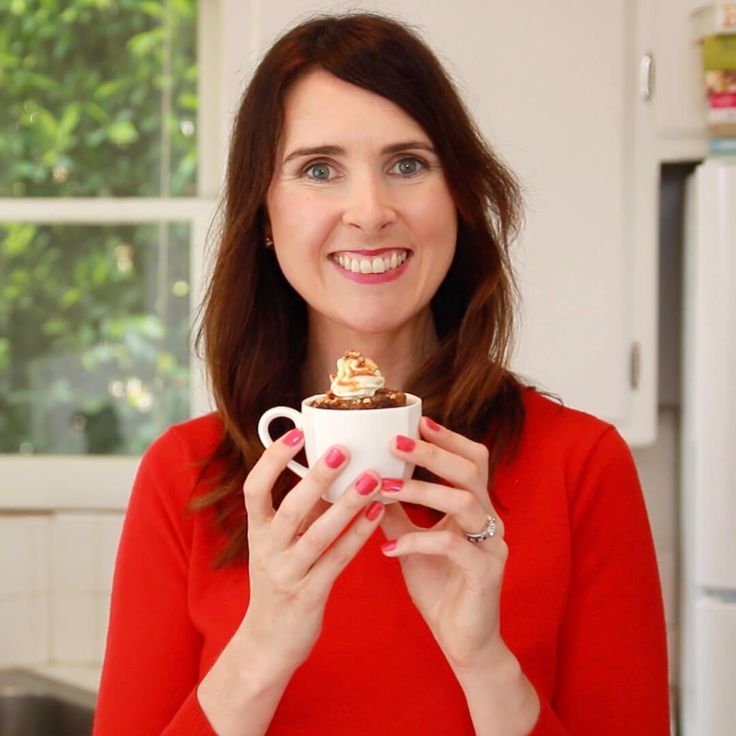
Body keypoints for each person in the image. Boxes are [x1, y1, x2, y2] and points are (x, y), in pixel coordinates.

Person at [92, 12, 670, 736]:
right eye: (318, 169)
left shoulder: (582, 467)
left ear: (457, 197)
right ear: (264, 216)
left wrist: (484, 662)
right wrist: (262, 648)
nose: (369, 211)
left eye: (407, 163)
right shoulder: (184, 476)